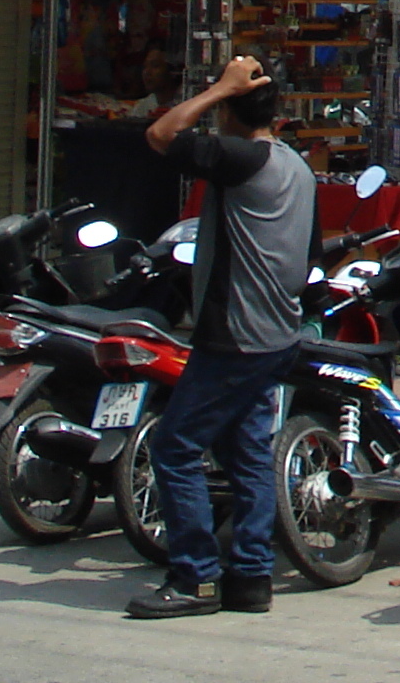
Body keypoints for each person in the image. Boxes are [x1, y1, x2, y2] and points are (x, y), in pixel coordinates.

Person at [128, 52, 314, 620]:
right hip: (275, 332)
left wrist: (217, 88)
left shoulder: (239, 157)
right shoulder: (296, 167)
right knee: (248, 452)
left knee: (175, 447)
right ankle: (251, 576)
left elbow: (160, 133)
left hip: (237, 334)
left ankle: (196, 577)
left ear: (230, 113)